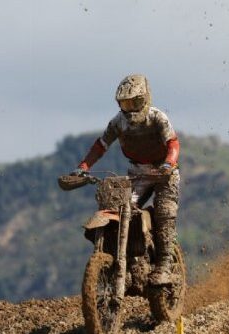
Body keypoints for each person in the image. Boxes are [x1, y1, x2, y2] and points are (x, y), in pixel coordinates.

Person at [72, 74, 180, 285]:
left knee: (165, 212)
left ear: (146, 99)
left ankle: (165, 265)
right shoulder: (118, 122)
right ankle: (130, 261)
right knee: (122, 211)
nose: (130, 108)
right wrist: (83, 167)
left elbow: (173, 143)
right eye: (125, 103)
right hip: (138, 173)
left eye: (135, 102)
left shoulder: (158, 118)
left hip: (164, 172)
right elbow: (101, 145)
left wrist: (169, 164)